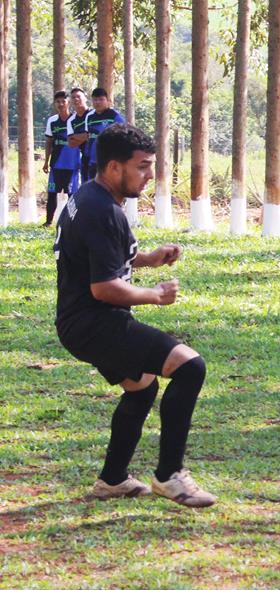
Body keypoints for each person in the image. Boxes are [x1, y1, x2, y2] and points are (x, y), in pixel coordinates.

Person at [54, 124, 215, 507]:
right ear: (114, 167)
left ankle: (112, 480)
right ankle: (169, 476)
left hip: (82, 320)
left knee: (142, 387)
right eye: (142, 167)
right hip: (95, 321)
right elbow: (103, 287)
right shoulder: (103, 210)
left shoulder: (90, 197)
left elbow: (104, 256)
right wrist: (155, 295)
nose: (148, 175)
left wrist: (149, 259)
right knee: (191, 367)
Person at [69, 87, 125, 181]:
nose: (98, 102)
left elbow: (123, 137)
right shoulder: (89, 117)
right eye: (95, 99)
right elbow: (89, 137)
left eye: (101, 99)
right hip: (92, 162)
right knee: (92, 189)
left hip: (109, 162)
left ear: (108, 100)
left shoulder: (114, 116)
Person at [42, 91, 80, 226]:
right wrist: (46, 161)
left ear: (68, 102)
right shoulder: (52, 121)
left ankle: (74, 222)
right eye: (58, 102)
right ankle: (48, 222)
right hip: (56, 163)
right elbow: (49, 142)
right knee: (52, 194)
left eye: (63, 101)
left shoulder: (76, 119)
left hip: (73, 164)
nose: (60, 104)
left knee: (72, 196)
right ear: (55, 104)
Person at [66, 87, 92, 185]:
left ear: (85, 98)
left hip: (99, 155)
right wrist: (85, 136)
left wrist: (75, 136)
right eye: (73, 97)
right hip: (85, 158)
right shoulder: (71, 120)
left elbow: (90, 135)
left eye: (78, 96)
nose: (76, 99)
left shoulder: (93, 114)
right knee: (86, 185)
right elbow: (71, 143)